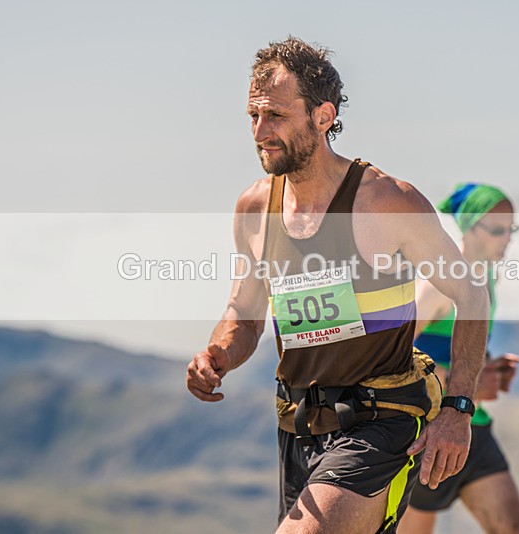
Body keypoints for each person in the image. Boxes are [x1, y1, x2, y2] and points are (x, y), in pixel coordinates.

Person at [185, 37, 490, 534]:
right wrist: (217, 352)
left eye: (276, 116)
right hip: (297, 426)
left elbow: (471, 295)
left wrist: (458, 409)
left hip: (381, 421)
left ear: (323, 116)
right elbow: (245, 311)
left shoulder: (388, 202)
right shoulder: (254, 208)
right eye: (253, 117)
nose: (261, 132)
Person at [399, 184, 519, 533]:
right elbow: (391, 355)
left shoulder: (485, 278)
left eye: (511, 230)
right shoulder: (438, 283)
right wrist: (459, 382)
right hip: (426, 433)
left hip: (472, 425)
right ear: (469, 228)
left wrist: (488, 372)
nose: (507, 239)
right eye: (498, 230)